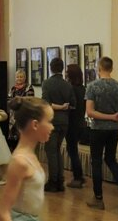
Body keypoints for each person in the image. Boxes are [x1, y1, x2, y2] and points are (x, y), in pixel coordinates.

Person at [85, 57, 118, 210]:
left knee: (96, 161)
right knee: (111, 159)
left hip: (98, 129)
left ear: (99, 68)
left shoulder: (92, 86)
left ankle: (98, 198)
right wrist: (113, 117)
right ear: (111, 68)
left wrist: (108, 116)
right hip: (114, 129)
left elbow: (90, 112)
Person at [41, 57, 75, 192]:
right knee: (57, 150)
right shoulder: (68, 84)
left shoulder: (47, 83)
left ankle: (53, 182)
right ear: (62, 68)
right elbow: (73, 104)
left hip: (52, 121)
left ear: (50, 68)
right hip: (64, 122)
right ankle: (60, 181)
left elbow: (45, 104)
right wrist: (63, 107)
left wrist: (59, 107)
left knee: (51, 152)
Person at [65, 64, 87, 189]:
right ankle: (79, 176)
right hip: (81, 122)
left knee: (72, 150)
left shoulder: (70, 89)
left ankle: (77, 177)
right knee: (74, 150)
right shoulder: (83, 88)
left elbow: (71, 106)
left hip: (72, 122)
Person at [6, 69, 35, 151]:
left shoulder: (29, 88)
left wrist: (17, 101)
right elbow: (9, 101)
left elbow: (29, 101)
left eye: (21, 77)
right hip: (13, 118)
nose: (19, 78)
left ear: (25, 78)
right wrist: (18, 101)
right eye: (17, 77)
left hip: (24, 116)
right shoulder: (13, 88)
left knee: (23, 139)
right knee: (13, 142)